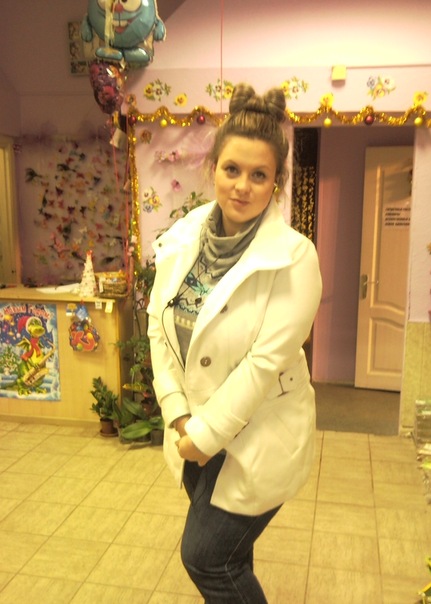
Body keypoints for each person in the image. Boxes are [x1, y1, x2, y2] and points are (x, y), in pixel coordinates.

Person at [147, 82, 322, 603]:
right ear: (213, 168)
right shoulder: (185, 236)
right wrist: (177, 413)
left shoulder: (295, 258)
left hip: (256, 435)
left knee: (207, 557)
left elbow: (262, 364)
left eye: (259, 175)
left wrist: (202, 436)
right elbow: (158, 324)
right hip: (192, 432)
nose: (242, 186)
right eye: (232, 169)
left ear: (277, 182)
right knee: (232, 559)